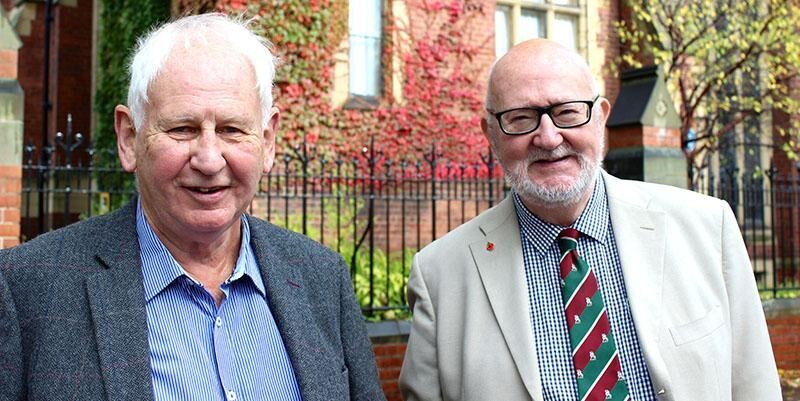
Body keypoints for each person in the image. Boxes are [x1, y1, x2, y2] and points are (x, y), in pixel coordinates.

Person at [0, 13, 384, 401]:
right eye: (181, 129)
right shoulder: (28, 288)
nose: (209, 159)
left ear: (267, 141)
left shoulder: (322, 278)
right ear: (129, 138)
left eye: (232, 130)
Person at [399, 39, 781, 401]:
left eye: (568, 112)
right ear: (491, 135)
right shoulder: (440, 276)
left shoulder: (707, 229)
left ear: (600, 118)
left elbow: (755, 385)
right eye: (520, 118)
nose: (548, 138)